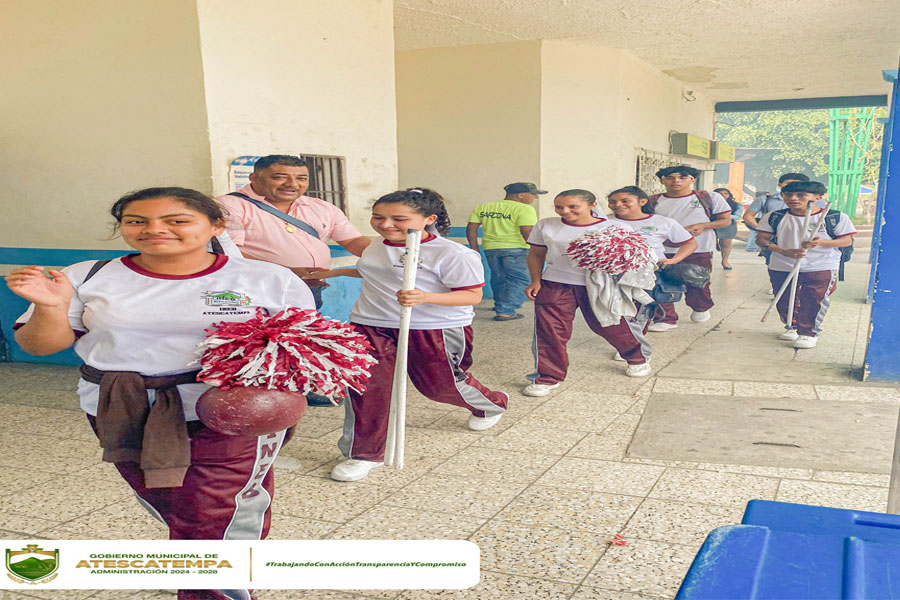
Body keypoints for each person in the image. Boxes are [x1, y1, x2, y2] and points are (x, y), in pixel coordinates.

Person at [7, 187, 315, 600]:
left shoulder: (268, 279)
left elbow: (305, 347)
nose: (154, 229)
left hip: (228, 411)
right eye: (137, 221)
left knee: (215, 513)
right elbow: (39, 346)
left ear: (216, 226)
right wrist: (50, 307)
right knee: (168, 500)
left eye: (177, 220)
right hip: (121, 406)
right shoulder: (87, 275)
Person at [308, 188, 508, 482]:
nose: (386, 225)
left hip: (433, 327)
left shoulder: (453, 254)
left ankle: (491, 403)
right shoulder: (377, 245)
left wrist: (425, 297)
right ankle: (363, 453)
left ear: (429, 219)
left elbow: (472, 295)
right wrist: (333, 273)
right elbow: (377, 271)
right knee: (366, 387)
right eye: (378, 217)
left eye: (398, 219)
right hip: (370, 323)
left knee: (439, 387)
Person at [216, 154, 370, 406]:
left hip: (309, 287)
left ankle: (302, 385)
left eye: (301, 178)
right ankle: (260, 392)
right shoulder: (230, 206)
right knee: (261, 340)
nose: (292, 184)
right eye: (280, 177)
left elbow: (353, 241)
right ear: (254, 178)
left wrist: (391, 255)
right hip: (256, 289)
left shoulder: (321, 207)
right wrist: (287, 272)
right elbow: (229, 252)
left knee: (301, 337)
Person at [523, 189, 653, 398]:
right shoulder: (546, 225)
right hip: (555, 283)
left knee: (611, 325)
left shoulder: (615, 227)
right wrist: (535, 280)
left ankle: (637, 357)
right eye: (559, 207)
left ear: (592, 205)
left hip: (600, 285)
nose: (565, 211)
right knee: (549, 331)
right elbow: (536, 254)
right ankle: (547, 377)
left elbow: (633, 257)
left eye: (573, 206)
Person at [755, 181, 856, 349]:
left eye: (801, 195)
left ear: (817, 197)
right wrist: (781, 250)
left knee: (814, 300)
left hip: (821, 265)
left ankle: (808, 333)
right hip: (782, 264)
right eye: (788, 195)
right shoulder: (775, 217)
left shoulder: (834, 217)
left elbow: (846, 240)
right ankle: (792, 325)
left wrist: (820, 242)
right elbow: (761, 240)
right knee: (784, 300)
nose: (793, 198)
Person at [644, 166, 732, 331]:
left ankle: (700, 307)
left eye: (682, 177)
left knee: (696, 279)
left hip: (699, 247)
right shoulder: (652, 201)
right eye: (670, 178)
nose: (676, 181)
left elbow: (725, 220)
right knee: (660, 283)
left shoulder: (708, 197)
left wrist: (704, 225)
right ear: (662, 181)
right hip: (662, 249)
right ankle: (665, 319)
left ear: (693, 180)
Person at [466, 182, 543, 321]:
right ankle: (506, 310)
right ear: (521, 195)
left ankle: (500, 304)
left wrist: (474, 248)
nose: (536, 197)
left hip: (491, 249)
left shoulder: (484, 207)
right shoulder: (525, 209)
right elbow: (527, 231)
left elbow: (472, 228)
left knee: (498, 277)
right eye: (533, 194)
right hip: (517, 250)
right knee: (521, 280)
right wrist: (536, 250)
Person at [743, 173, 821, 253]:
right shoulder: (765, 200)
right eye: (788, 183)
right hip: (772, 240)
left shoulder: (816, 201)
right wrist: (760, 228)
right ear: (779, 184)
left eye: (798, 184)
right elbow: (748, 215)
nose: (793, 186)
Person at [714, 187, 743, 270]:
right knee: (710, 243)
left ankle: (724, 261)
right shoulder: (708, 204)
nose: (723, 195)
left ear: (729, 195)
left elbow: (737, 216)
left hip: (728, 225)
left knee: (725, 244)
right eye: (720, 194)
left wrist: (723, 216)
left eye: (725, 194)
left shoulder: (736, 205)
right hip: (712, 224)